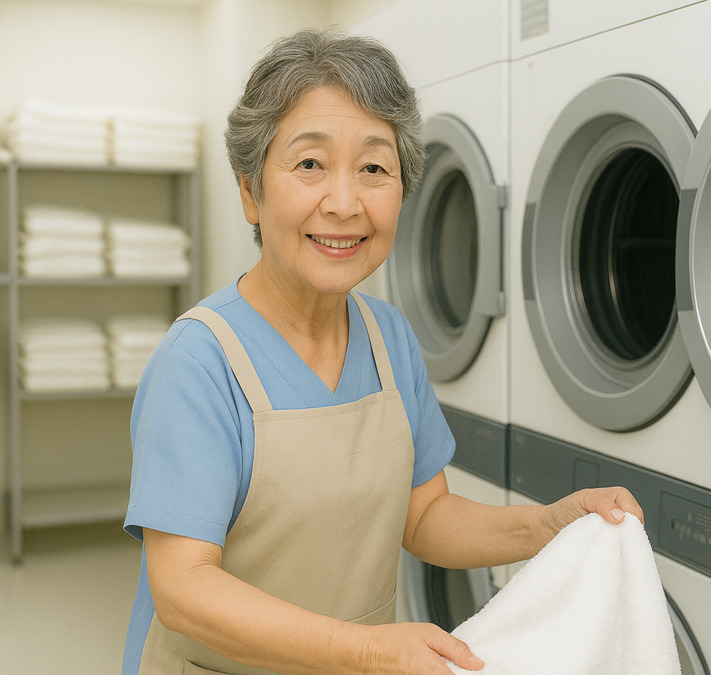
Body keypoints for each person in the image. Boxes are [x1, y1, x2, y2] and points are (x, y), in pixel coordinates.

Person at [122, 27, 643, 675]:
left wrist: (548, 525)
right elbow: (184, 590)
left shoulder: (388, 336)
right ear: (251, 192)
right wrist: (367, 648)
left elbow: (424, 514)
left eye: (373, 168)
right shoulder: (199, 362)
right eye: (309, 164)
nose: (344, 204)